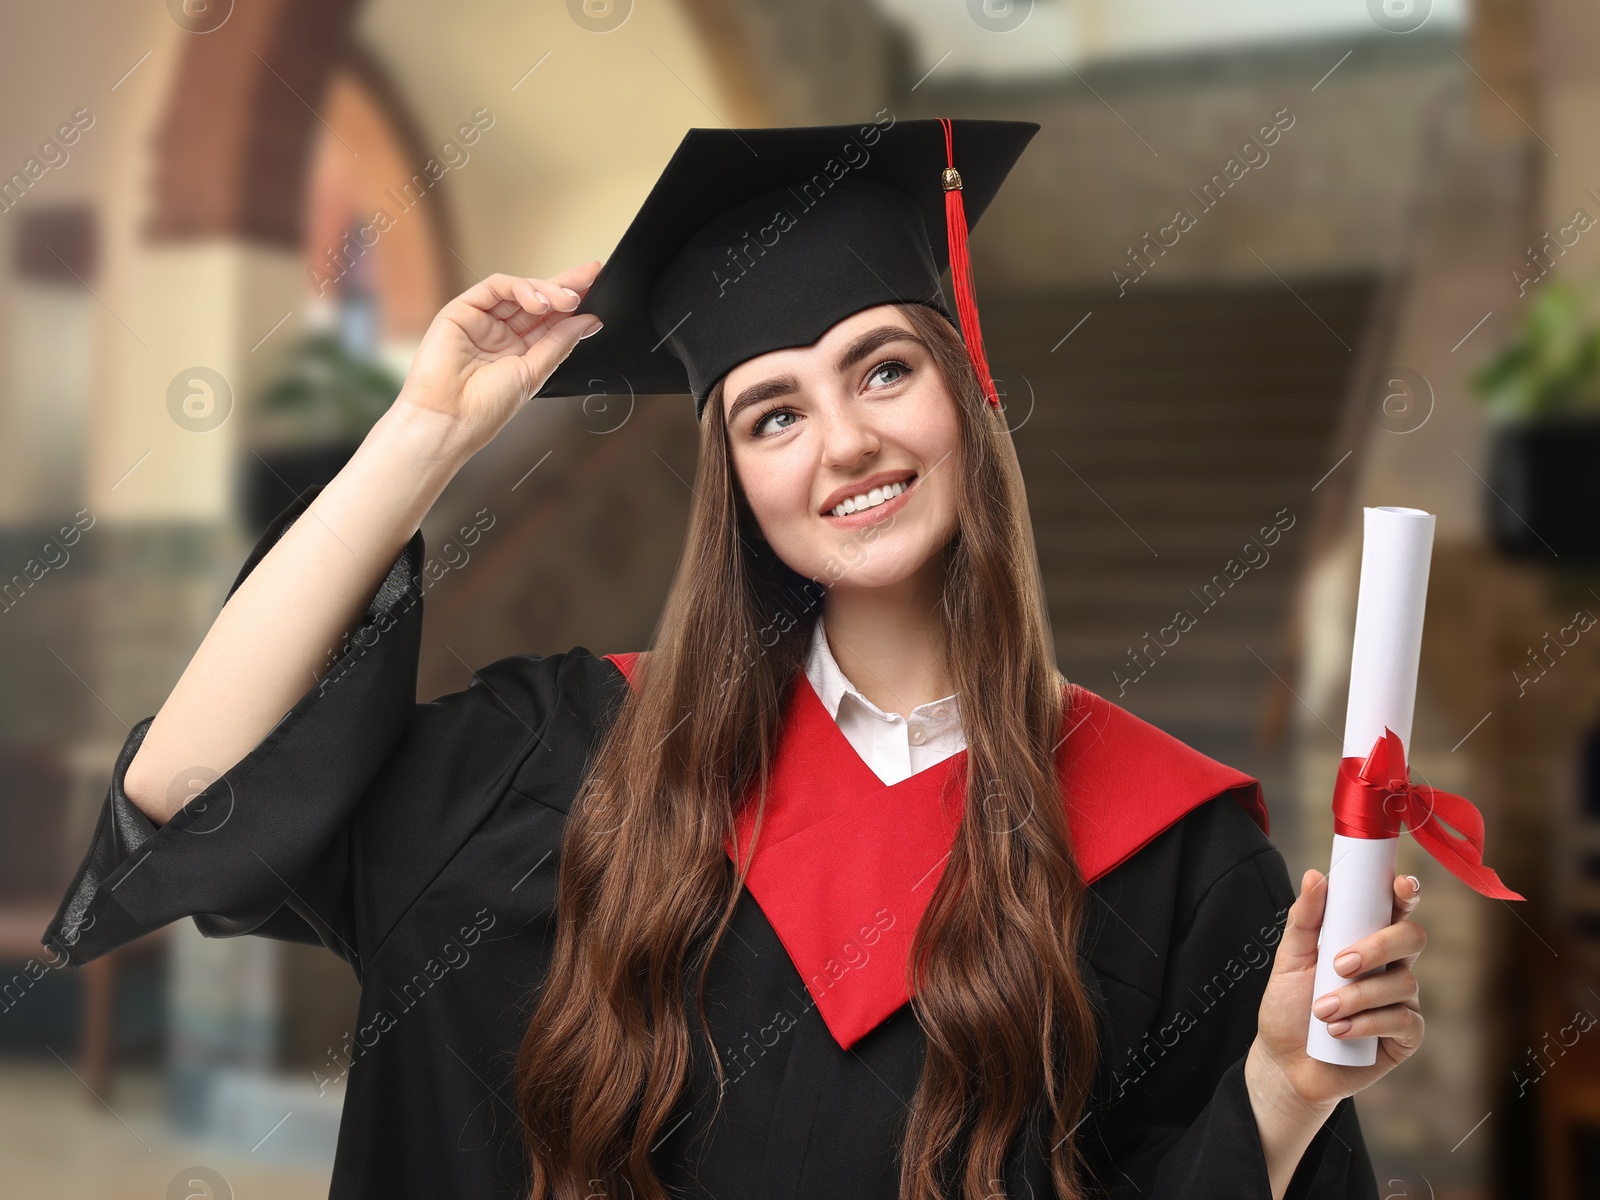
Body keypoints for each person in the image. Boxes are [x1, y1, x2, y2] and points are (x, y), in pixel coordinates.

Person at [41, 118, 1424, 1200]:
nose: (844, 444)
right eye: (771, 414)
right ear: (734, 484)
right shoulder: (565, 760)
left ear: (967, 388)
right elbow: (192, 790)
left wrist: (1288, 1093)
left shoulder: (1170, 848)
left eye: (884, 368)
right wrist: (426, 436)